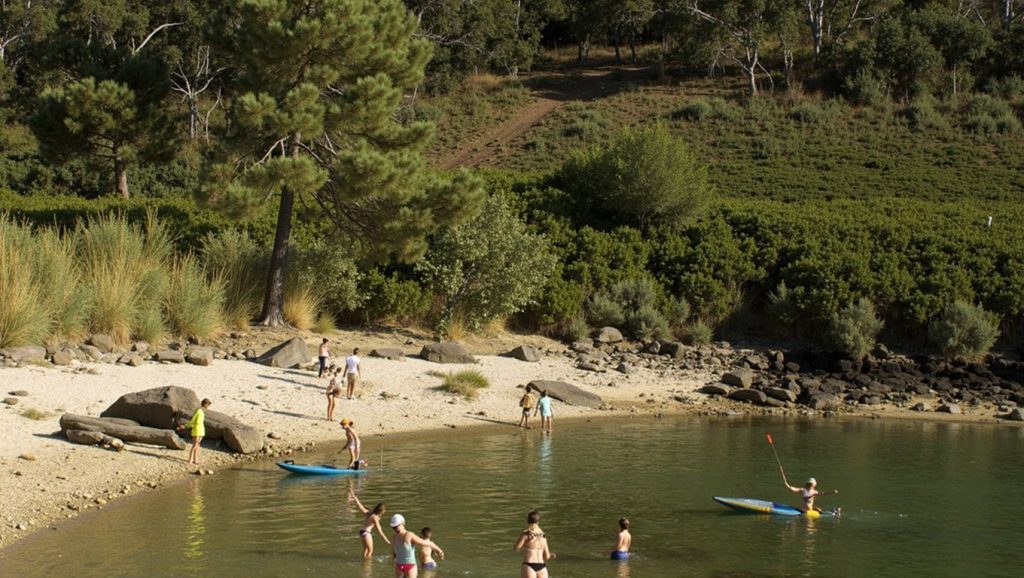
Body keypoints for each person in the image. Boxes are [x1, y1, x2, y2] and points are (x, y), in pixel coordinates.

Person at [391, 514, 444, 578]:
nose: (394, 528)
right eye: (394, 527)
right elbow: (425, 543)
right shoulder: (408, 534)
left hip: (399, 566)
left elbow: (394, 554)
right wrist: (439, 550)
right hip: (410, 566)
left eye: (395, 526)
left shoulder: (394, 537)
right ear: (403, 523)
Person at [350, 490, 390, 559]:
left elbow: (360, 507)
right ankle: (367, 566)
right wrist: (387, 541)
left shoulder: (369, 513)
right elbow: (380, 531)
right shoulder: (375, 518)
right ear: (381, 511)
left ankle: (363, 563)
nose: (385, 511)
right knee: (370, 551)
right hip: (366, 533)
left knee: (366, 550)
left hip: (361, 532)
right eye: (384, 510)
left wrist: (355, 498)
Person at [514, 510, 554, 578]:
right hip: (542, 567)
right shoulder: (543, 536)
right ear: (538, 521)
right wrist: (551, 555)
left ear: (527, 520)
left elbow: (516, 548)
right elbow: (546, 556)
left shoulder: (526, 534)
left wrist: (524, 540)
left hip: (529, 566)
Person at [178, 398, 211, 466]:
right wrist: (186, 426)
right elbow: (193, 421)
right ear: (205, 404)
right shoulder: (198, 411)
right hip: (197, 430)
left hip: (200, 430)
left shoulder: (201, 411)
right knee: (195, 445)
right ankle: (190, 460)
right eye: (208, 405)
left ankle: (195, 459)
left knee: (197, 445)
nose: (208, 407)